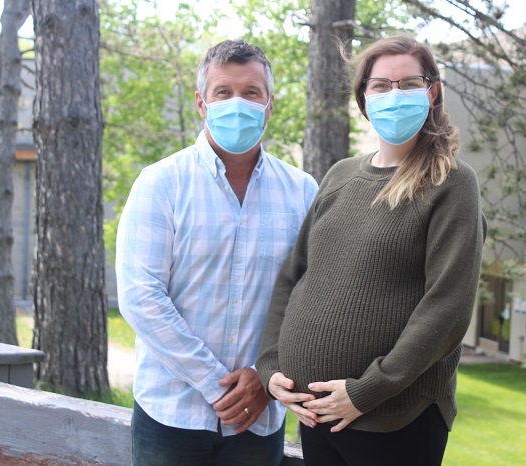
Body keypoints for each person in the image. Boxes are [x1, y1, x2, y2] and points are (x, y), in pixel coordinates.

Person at [256, 35, 487, 466]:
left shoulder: (452, 184)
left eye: (408, 84)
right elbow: (293, 275)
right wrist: (270, 366)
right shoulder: (340, 176)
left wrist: (366, 391)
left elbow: (447, 308)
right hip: (316, 414)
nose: (393, 95)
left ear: (431, 91)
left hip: (396, 419)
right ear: (363, 97)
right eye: (380, 85)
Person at [116, 39, 318, 466]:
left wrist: (266, 379)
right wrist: (218, 385)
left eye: (251, 92)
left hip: (258, 417)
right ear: (201, 102)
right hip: (170, 414)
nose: (238, 103)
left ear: (270, 103)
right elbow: (141, 296)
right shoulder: (161, 183)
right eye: (223, 92)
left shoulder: (303, 191)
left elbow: (310, 299)